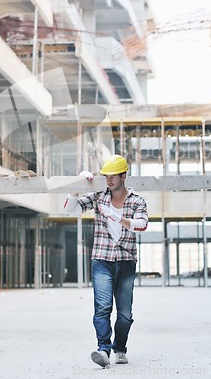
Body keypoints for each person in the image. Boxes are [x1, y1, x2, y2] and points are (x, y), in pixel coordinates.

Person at [63, 154, 148, 368]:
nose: (109, 181)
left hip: (126, 261)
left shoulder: (137, 200)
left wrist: (117, 216)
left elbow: (142, 225)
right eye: (106, 176)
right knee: (102, 308)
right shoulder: (98, 197)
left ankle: (120, 348)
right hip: (102, 259)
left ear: (123, 176)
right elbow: (69, 209)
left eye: (113, 177)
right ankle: (103, 349)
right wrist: (77, 185)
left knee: (125, 314)